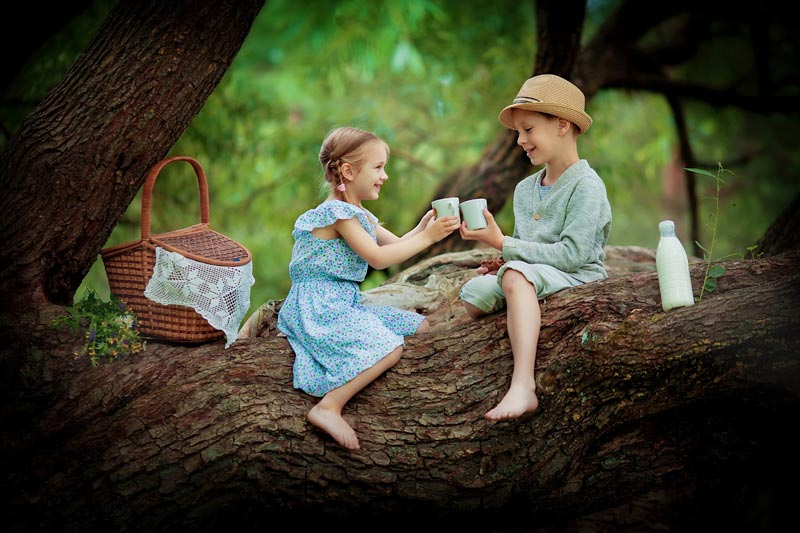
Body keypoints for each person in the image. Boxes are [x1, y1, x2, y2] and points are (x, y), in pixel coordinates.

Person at [277, 126, 460, 450]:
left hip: (345, 303)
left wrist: (423, 229)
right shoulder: (337, 214)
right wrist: (429, 237)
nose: (385, 175)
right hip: (319, 305)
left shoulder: (360, 214)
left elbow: (399, 246)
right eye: (378, 167)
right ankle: (329, 406)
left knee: (419, 326)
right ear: (348, 171)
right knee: (390, 347)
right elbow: (378, 258)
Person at [459, 74, 612, 421]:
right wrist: (503, 256)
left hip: (577, 275)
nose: (519, 140)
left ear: (561, 125)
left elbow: (573, 255)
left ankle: (523, 386)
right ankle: (520, 294)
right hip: (538, 273)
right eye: (517, 132)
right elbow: (529, 246)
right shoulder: (525, 189)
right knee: (473, 294)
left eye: (527, 129)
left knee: (513, 277)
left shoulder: (586, 186)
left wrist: (505, 246)